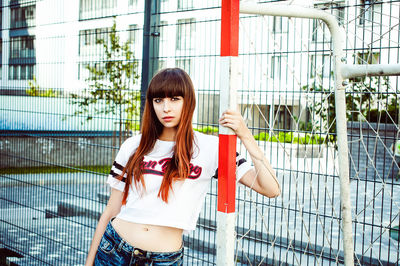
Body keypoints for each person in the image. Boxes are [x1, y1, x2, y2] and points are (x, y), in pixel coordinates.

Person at [85, 68, 280, 266]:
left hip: (164, 260)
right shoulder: (134, 145)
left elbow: (271, 188)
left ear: (189, 102)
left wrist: (245, 134)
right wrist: (88, 263)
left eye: (175, 99)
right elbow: (111, 211)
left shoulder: (210, 149)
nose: (165, 108)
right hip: (114, 249)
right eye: (158, 100)